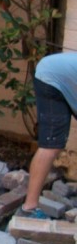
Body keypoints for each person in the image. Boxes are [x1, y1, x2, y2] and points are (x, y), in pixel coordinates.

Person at [19, 52, 77, 219]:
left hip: (59, 74)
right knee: (52, 145)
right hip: (53, 77)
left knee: (54, 143)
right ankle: (28, 208)